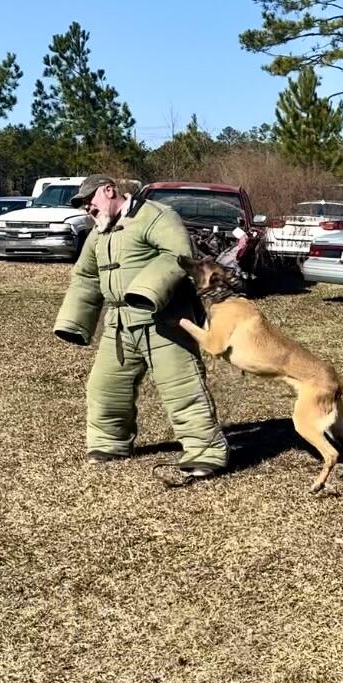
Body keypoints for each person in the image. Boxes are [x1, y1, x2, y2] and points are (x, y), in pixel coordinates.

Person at [53, 174, 229, 477]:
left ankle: (205, 453)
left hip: (165, 320)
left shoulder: (155, 216)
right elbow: (85, 276)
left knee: (181, 387)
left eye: (89, 201)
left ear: (108, 191)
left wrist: (146, 291)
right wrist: (74, 321)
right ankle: (109, 443)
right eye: (83, 206)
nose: (88, 209)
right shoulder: (99, 232)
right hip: (119, 326)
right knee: (105, 388)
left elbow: (178, 253)